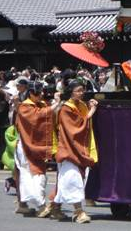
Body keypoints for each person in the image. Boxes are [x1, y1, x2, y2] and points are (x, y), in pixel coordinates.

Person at [14, 80, 62, 216]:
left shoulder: (41, 104)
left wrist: (57, 105)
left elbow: (49, 116)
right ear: (30, 93)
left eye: (42, 92)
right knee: (28, 175)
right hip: (25, 146)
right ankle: (40, 205)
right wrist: (54, 105)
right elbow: (38, 116)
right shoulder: (25, 107)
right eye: (38, 92)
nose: (41, 95)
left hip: (38, 146)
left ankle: (33, 204)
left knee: (40, 176)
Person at [54, 80, 98, 223]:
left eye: (82, 90)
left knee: (65, 181)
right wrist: (91, 112)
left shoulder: (81, 105)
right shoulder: (66, 108)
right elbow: (74, 128)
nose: (81, 93)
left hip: (78, 148)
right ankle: (78, 212)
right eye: (78, 90)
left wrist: (90, 107)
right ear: (71, 92)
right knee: (73, 180)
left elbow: (83, 122)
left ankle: (54, 208)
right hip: (69, 148)